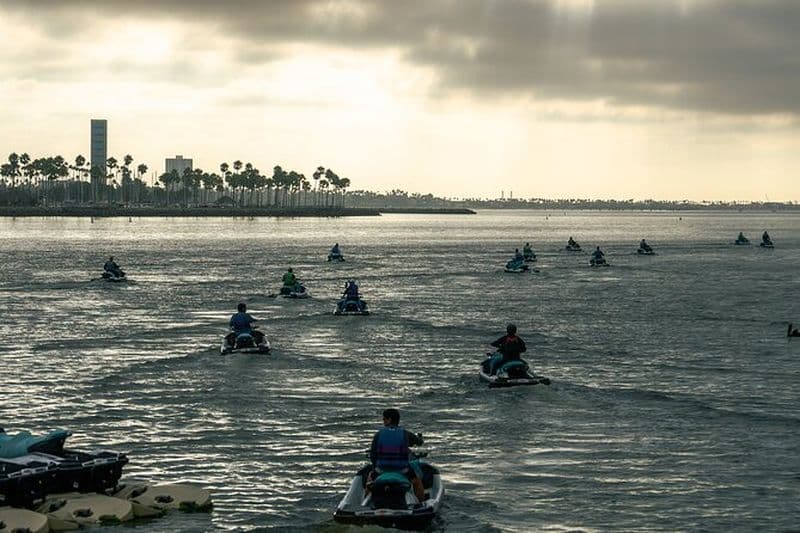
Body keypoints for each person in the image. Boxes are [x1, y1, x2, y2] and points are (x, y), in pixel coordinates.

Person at [368, 408, 425, 502]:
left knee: (370, 480)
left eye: (384, 419)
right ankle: (421, 503)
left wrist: (375, 467)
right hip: (402, 470)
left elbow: (373, 455)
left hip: (381, 469)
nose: (383, 422)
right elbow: (418, 442)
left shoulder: (378, 434)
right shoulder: (405, 433)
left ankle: (365, 503)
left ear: (389, 420)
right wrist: (420, 439)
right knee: (417, 482)